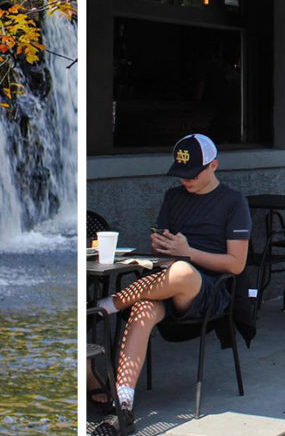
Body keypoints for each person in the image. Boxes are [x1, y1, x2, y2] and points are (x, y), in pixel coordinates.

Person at [92, 133, 251, 436]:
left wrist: (188, 252)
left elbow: (236, 264)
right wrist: (161, 245)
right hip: (166, 282)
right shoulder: (173, 197)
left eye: (192, 174)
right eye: (181, 175)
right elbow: (162, 250)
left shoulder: (233, 201)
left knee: (183, 272)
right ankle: (123, 405)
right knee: (143, 310)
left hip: (210, 290)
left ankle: (108, 305)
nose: (185, 181)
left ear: (213, 166)